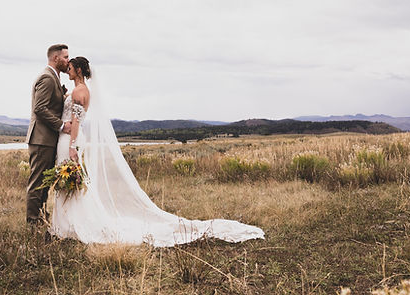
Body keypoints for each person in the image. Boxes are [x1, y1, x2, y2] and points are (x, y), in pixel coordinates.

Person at [49, 56, 265, 247]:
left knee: (71, 179)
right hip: (71, 138)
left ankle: (72, 224)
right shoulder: (80, 90)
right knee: (72, 180)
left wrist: (72, 146)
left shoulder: (80, 91)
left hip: (71, 139)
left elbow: (76, 120)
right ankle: (68, 222)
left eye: (70, 67)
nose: (67, 70)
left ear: (78, 70)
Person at [26, 43, 71, 226]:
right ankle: (32, 224)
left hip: (48, 140)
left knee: (45, 183)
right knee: (37, 183)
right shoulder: (47, 78)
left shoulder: (54, 78)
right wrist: (61, 125)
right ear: (56, 58)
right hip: (41, 139)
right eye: (66, 57)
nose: (68, 60)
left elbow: (50, 105)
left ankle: (42, 219)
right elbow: (39, 108)